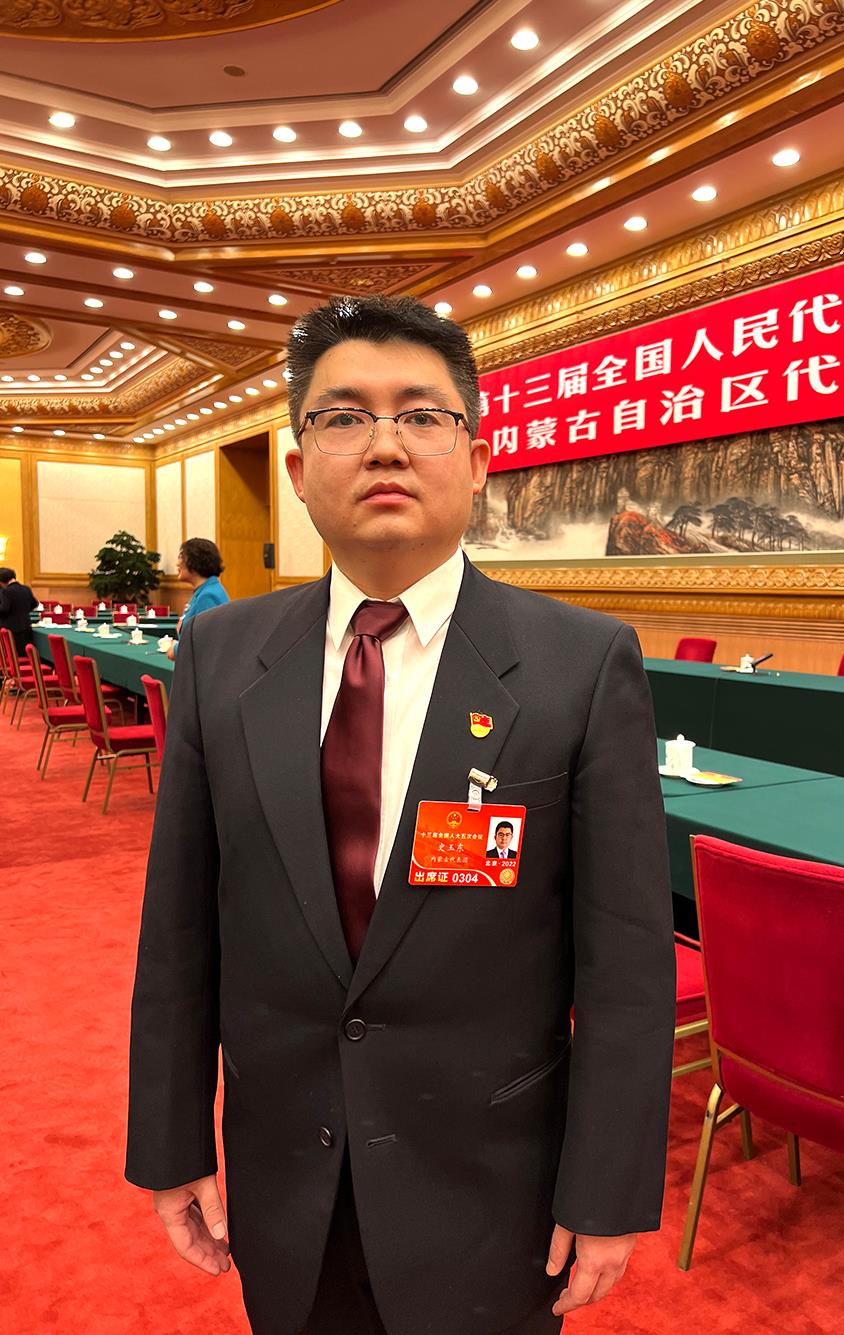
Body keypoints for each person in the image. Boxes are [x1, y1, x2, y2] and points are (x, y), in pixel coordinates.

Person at [126, 295, 675, 1335]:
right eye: (345, 417)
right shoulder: (221, 655)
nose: (385, 444)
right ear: (299, 470)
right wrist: (170, 1138)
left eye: (422, 415)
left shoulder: (580, 663)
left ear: (477, 460)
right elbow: (180, 927)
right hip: (283, 1174)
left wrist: (607, 1188)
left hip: (492, 1190)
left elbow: (626, 965)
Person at [163, 538, 230, 660]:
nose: (177, 564)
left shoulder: (208, 596)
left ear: (194, 562)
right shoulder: (205, 590)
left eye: (181, 557)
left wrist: (176, 650)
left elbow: (204, 641)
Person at [0, 566, 38, 658]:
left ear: (1, 581)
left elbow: (4, 609)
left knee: (14, 656)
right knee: (26, 655)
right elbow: (34, 603)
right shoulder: (26, 588)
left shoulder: (6, 591)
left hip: (11, 630)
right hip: (26, 627)